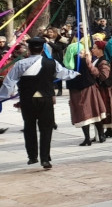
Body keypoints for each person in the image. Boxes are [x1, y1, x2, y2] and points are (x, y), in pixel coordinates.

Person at [0, 36, 80, 168]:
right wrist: (76, 73)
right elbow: (64, 74)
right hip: (46, 99)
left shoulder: (20, 64)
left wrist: (2, 97)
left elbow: (9, 83)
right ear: (43, 49)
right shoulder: (51, 63)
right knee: (46, 128)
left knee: (29, 127)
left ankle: (32, 156)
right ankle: (45, 159)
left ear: (29, 50)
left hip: (27, 100)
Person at [63, 39, 109, 146]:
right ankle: (101, 134)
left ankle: (87, 138)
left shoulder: (66, 62)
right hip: (89, 88)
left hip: (75, 91)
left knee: (82, 113)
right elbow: (94, 72)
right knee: (94, 110)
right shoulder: (84, 60)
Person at [90, 39, 112, 139]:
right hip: (102, 88)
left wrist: (91, 68)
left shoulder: (103, 61)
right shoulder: (98, 59)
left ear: (101, 50)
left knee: (105, 108)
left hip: (105, 88)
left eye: (94, 48)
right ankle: (107, 130)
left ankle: (106, 131)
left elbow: (103, 76)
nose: (92, 50)